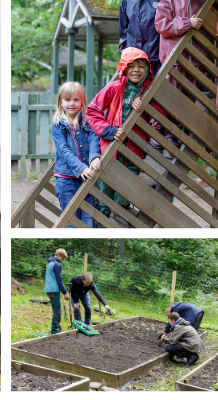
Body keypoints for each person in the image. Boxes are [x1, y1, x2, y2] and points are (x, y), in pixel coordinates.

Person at [85, 47, 167, 223]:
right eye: (132, 66)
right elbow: (92, 111)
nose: (136, 70)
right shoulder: (114, 88)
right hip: (111, 149)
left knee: (125, 191)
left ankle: (118, 219)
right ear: (124, 68)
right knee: (104, 189)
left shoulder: (148, 92)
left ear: (147, 71)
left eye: (141, 66)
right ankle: (102, 224)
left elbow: (161, 111)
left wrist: (145, 100)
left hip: (134, 152)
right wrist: (108, 131)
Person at [50, 82, 101, 228]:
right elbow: (63, 150)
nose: (72, 103)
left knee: (88, 221)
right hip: (66, 181)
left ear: (82, 101)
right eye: (67, 100)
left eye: (76, 100)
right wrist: (81, 168)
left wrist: (94, 157)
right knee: (72, 221)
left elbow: (93, 139)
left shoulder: (86, 121)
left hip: (86, 178)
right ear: (61, 102)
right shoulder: (57, 124)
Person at [154, 0, 204, 105]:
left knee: (189, 101)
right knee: (169, 98)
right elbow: (161, 25)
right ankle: (159, 122)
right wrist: (188, 23)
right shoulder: (168, 1)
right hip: (175, 59)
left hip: (196, 58)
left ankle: (181, 122)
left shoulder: (201, 1)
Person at [119, 0, 162, 74]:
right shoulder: (126, 1)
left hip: (156, 59)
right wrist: (124, 53)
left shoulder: (161, 1)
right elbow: (123, 31)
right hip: (132, 60)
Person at [44, 249, 71, 334]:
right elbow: (59, 280)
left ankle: (57, 328)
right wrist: (65, 293)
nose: (61, 260)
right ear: (58, 255)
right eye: (62, 258)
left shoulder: (49, 263)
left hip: (49, 289)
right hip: (54, 290)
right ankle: (54, 331)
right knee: (57, 312)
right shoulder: (56, 264)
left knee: (56, 310)